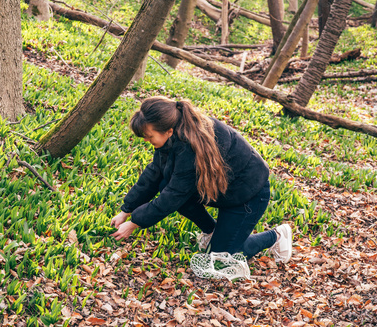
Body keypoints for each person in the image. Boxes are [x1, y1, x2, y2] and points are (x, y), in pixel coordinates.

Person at [110, 96, 292, 262]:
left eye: (149, 137)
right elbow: (154, 173)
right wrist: (127, 209)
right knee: (165, 182)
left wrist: (135, 223)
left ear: (168, 130)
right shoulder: (174, 136)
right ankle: (213, 231)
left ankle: (276, 236)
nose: (147, 141)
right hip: (224, 190)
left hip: (248, 195)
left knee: (220, 259)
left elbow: (173, 196)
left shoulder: (189, 147)